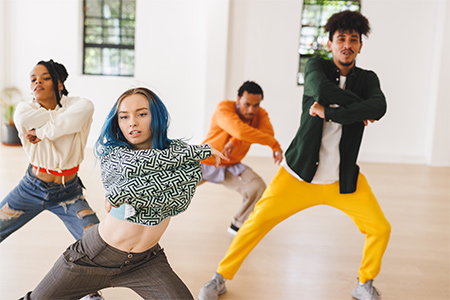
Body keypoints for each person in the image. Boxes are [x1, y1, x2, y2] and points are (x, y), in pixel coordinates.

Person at [199, 10, 391, 300]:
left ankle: (364, 283)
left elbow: (380, 107)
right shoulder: (316, 67)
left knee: (380, 228)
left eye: (354, 40)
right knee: (256, 224)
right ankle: (220, 277)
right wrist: (359, 109)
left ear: (360, 46)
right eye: (341, 39)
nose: (347, 45)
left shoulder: (367, 79)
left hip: (343, 180)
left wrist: (330, 111)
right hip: (298, 173)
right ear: (330, 44)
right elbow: (324, 90)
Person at [20, 87, 225, 300]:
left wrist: (138, 191)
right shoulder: (114, 155)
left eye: (142, 114)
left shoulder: (179, 151)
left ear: (158, 116)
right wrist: (199, 151)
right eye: (124, 117)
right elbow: (132, 174)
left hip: (145, 261)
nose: (132, 122)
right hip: (93, 257)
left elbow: (181, 198)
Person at [0, 59, 100, 243]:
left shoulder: (80, 105)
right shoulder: (24, 110)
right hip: (31, 187)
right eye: (33, 79)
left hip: (69, 193)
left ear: (59, 83)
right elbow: (71, 119)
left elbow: (87, 108)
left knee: (96, 244)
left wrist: (40, 132)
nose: (37, 82)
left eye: (45, 78)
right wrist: (68, 121)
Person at [200, 81, 283, 235]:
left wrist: (234, 141)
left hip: (231, 165)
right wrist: (274, 145)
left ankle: (237, 226)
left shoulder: (260, 114)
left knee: (257, 188)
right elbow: (240, 130)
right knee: (169, 189)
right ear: (238, 99)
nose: (251, 110)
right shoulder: (224, 108)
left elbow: (267, 134)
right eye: (247, 104)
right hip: (204, 161)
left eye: (256, 105)